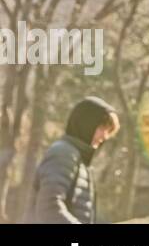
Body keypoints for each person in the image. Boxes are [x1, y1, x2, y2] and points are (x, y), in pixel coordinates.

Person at [27, 96, 120, 224]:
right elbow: (49, 208)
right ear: (87, 124)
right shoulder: (63, 153)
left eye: (108, 131)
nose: (104, 136)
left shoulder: (79, 159)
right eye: (102, 128)